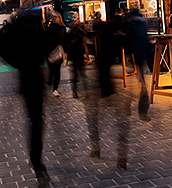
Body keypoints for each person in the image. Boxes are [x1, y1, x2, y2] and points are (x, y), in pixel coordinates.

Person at [0, 10, 50, 188]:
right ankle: (36, 160)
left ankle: (36, 160)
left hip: (26, 76)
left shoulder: (15, 28)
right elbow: (47, 46)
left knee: (34, 120)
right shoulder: (37, 27)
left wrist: (20, 64)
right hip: (37, 76)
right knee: (37, 121)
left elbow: (3, 50)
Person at [88, 10, 131, 170]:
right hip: (114, 86)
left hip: (101, 83)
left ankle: (96, 147)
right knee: (121, 122)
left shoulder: (103, 32)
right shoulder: (118, 35)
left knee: (94, 118)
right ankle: (121, 154)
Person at [123, 9, 153, 121]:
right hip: (141, 55)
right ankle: (141, 111)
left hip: (135, 55)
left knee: (139, 84)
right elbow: (144, 38)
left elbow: (126, 40)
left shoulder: (130, 24)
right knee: (142, 84)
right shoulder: (140, 23)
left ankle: (129, 107)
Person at [64, 13, 88, 99]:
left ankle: (76, 91)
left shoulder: (71, 31)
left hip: (75, 54)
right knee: (80, 73)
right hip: (78, 54)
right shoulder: (75, 31)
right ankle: (80, 90)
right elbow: (86, 35)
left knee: (77, 74)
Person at [44, 11, 65, 97]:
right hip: (55, 51)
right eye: (52, 17)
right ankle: (53, 88)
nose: (54, 19)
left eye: (55, 17)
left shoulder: (55, 27)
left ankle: (53, 87)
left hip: (54, 51)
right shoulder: (57, 28)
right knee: (55, 71)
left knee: (54, 71)